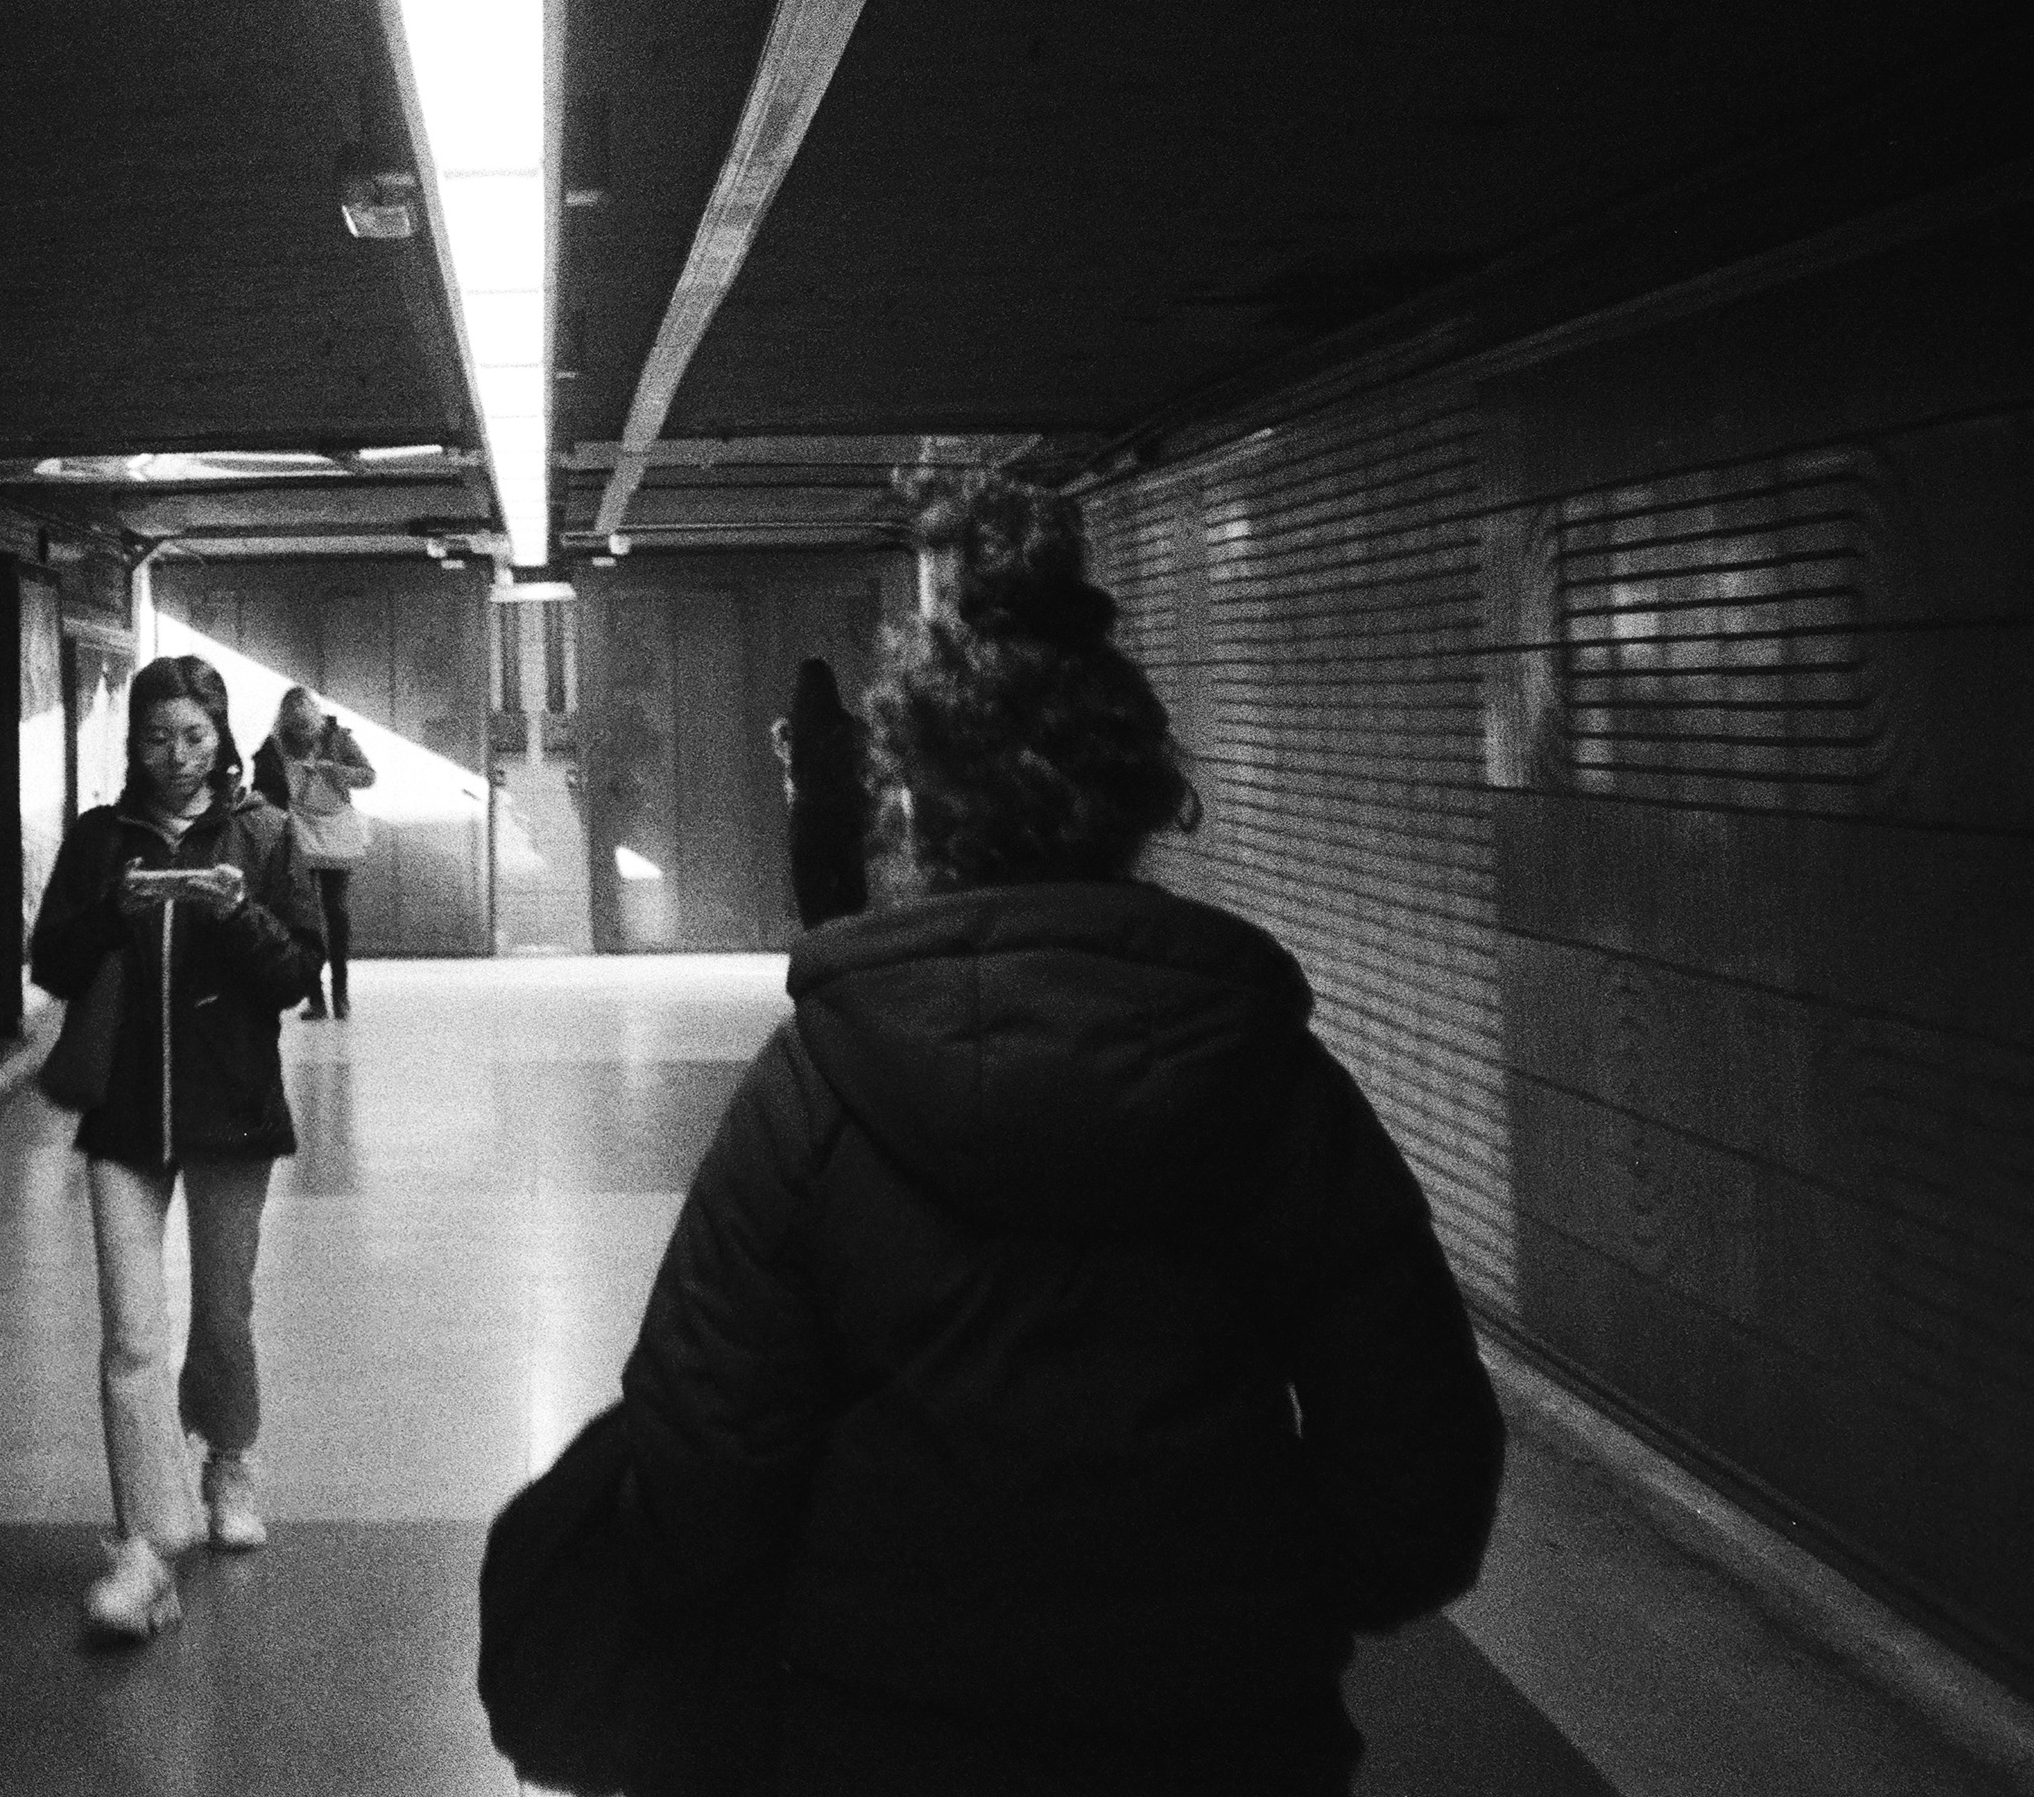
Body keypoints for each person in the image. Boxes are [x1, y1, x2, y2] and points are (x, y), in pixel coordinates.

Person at [612, 473, 1504, 1791]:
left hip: (885, 1731)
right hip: (1223, 1727)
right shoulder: (1276, 1086)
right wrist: (1265, 1604)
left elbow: (697, 1451)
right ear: (1144, 798)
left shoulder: (814, 1092)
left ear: (911, 806)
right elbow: (1420, 1462)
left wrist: (807, 1617)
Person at [26, 655, 327, 1644]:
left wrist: (235, 913)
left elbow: (297, 972)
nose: (176, 755)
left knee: (223, 1314)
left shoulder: (264, 833)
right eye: (157, 736)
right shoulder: (98, 839)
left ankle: (229, 1459)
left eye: (194, 735)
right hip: (122, 1113)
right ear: (135, 742)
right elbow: (50, 960)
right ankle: (143, 1547)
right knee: (130, 1333)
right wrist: (113, 910)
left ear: (222, 736)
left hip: (231, 1104)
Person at [253, 684, 377, 1016]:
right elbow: (262, 786)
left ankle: (340, 993)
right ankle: (315, 997)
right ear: (285, 723)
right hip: (297, 833)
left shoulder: (338, 738)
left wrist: (335, 771)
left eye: (307, 726)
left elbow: (368, 776)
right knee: (304, 916)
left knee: (336, 912)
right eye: (295, 728)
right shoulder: (274, 746)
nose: (302, 734)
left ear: (317, 720)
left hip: (335, 831)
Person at [771, 657, 870, 929]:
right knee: (850, 898)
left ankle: (820, 948)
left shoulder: (788, 730)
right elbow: (859, 771)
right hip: (843, 818)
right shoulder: (848, 728)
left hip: (807, 820)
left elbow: (792, 774)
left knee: (812, 901)